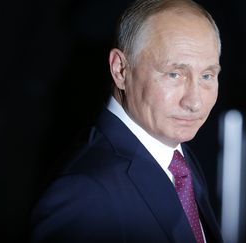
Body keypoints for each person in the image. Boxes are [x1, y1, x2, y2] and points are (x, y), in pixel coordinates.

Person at [30, 0, 223, 242]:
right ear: (121, 70)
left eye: (207, 76)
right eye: (174, 74)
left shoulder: (178, 157)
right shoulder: (85, 194)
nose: (194, 102)